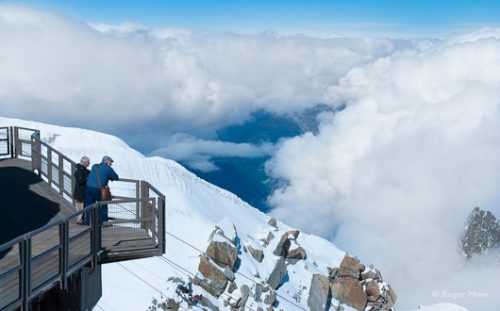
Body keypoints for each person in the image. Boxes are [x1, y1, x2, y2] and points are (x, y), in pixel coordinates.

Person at [84, 155, 119, 224]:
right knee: (103, 204)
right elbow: (116, 177)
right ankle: (103, 221)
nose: (111, 164)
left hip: (88, 188)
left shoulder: (94, 166)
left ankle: (88, 221)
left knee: (89, 205)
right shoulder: (108, 169)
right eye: (110, 162)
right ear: (107, 161)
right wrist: (109, 177)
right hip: (99, 189)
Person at [73, 156, 90, 224]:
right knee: (81, 206)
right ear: (84, 162)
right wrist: (87, 178)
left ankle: (80, 219)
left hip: (79, 192)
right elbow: (80, 181)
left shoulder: (81, 169)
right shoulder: (81, 170)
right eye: (88, 162)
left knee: (80, 206)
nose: (89, 163)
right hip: (81, 192)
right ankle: (80, 220)